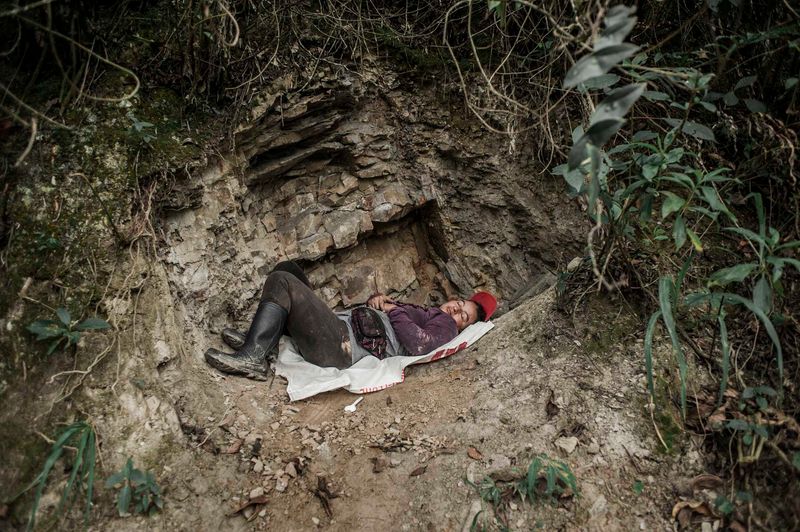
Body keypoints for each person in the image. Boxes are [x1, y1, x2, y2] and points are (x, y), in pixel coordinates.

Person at [204, 261, 497, 380]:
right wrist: (378, 302)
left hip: (342, 346)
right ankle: (261, 342)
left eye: (463, 316)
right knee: (289, 270)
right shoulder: (430, 311)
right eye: (459, 304)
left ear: (463, 327)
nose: (455, 311)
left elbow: (419, 344)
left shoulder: (444, 327)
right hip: (339, 327)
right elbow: (393, 320)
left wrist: (393, 310)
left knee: (282, 279)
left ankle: (253, 357)